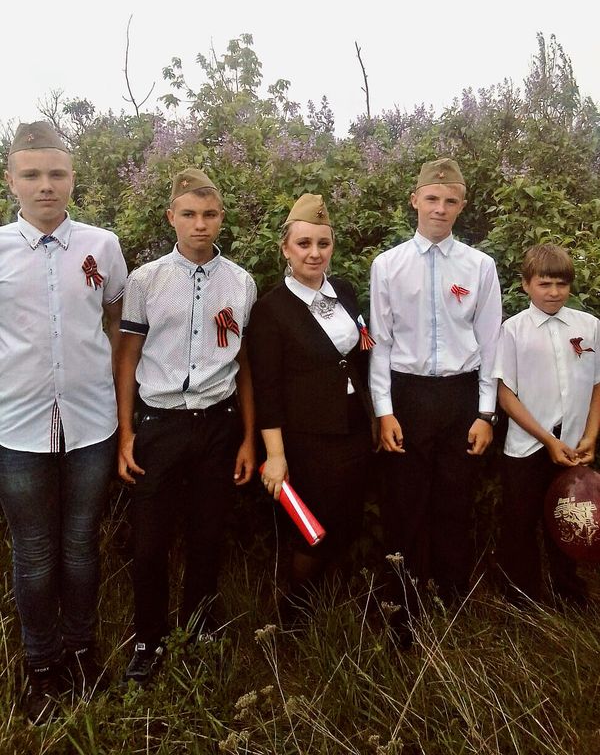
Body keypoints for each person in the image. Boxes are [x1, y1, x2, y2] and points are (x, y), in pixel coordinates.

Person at [0, 121, 127, 722]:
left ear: (74, 178)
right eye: (32, 175)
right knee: (33, 552)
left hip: (91, 423)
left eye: (56, 174)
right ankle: (41, 665)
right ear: (12, 182)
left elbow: (114, 317)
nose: (45, 185)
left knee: (80, 545)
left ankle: (80, 652)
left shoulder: (102, 245)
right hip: (16, 427)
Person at [117, 167, 256, 684]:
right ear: (171, 216)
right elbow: (127, 358)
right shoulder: (145, 280)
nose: (200, 224)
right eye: (190, 214)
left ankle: (199, 630)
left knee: (208, 534)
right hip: (159, 424)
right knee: (150, 543)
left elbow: (244, 364)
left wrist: (248, 437)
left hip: (218, 424)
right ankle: (148, 640)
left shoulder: (241, 282)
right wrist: (126, 433)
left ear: (221, 218)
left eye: (210, 214)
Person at [369, 158, 502, 638]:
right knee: (403, 505)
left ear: (462, 205)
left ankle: (451, 600)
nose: (440, 209)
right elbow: (381, 343)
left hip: (461, 397)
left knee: (454, 502)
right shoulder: (387, 265)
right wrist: (384, 411)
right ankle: (401, 608)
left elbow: (490, 343)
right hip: (407, 396)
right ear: (415, 200)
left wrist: (486, 413)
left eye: (450, 201)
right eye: (432, 199)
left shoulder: (479, 266)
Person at [247, 194, 374, 619]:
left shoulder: (345, 292)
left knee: (347, 520)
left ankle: (328, 603)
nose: (314, 253)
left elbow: (358, 358)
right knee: (311, 530)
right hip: (308, 440)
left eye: (323, 243)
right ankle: (293, 615)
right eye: (303, 244)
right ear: (285, 249)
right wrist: (276, 456)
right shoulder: (270, 310)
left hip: (354, 429)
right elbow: (266, 390)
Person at [493, 243, 600, 604]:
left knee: (570, 517)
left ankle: (569, 593)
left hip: (574, 445)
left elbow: (597, 385)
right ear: (526, 284)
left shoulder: (589, 326)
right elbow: (506, 394)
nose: (553, 292)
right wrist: (547, 440)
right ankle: (521, 598)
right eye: (544, 284)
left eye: (561, 284)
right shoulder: (513, 330)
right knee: (520, 522)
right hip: (527, 446)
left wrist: (590, 436)